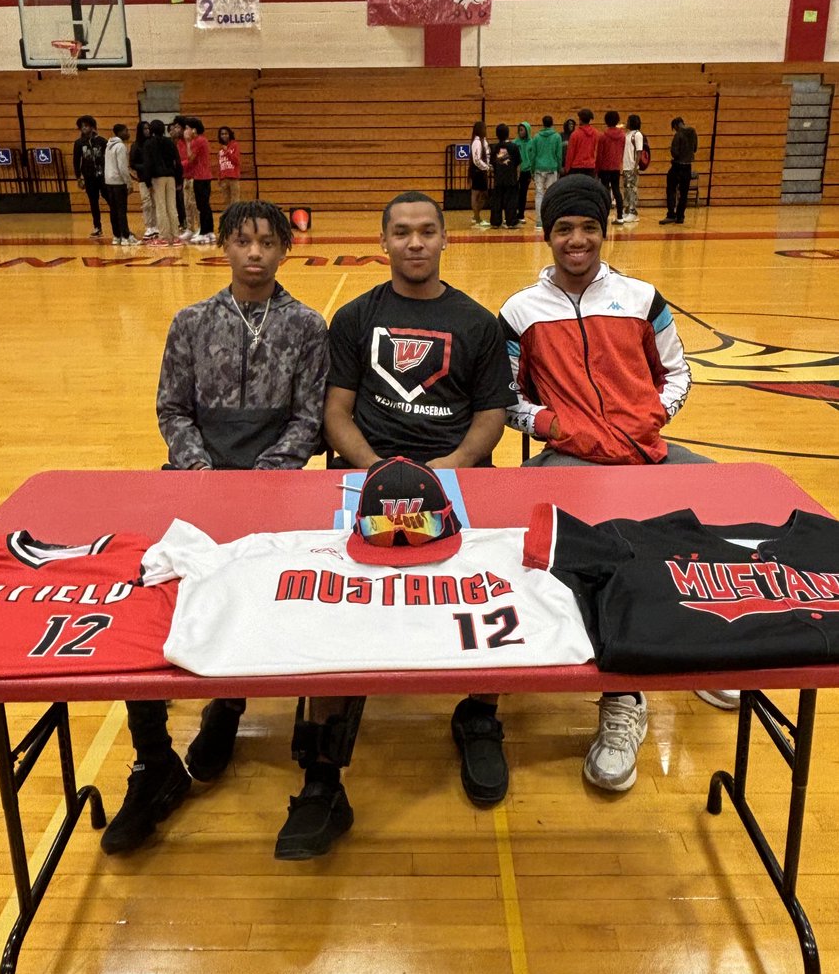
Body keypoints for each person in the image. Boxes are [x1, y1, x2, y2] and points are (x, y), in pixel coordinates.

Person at [273, 191, 517, 861]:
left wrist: (447, 470)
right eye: (402, 233)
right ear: (384, 241)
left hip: (456, 478)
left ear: (446, 239)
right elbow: (337, 413)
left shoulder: (476, 322)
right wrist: (381, 471)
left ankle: (480, 715)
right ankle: (323, 777)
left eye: (427, 231)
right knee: (336, 608)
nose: (415, 243)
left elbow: (490, 415)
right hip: (363, 476)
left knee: (486, 590)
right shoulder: (355, 318)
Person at [101, 199, 330, 856]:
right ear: (223, 247)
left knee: (270, 595)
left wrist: (263, 476)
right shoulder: (191, 322)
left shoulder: (308, 327)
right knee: (150, 604)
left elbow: (308, 420)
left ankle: (228, 702)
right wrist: (202, 470)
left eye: (266, 242)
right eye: (241, 241)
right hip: (194, 482)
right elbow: (172, 407)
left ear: (286, 249)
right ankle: (153, 761)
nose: (254, 253)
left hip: (275, 487)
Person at [498, 175, 721, 792]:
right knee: (576, 552)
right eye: (564, 229)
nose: (577, 240)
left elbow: (678, 374)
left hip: (646, 451)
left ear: (605, 229)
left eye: (589, 227)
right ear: (547, 236)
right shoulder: (521, 311)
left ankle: (698, 646)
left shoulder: (643, 298)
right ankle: (622, 696)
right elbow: (506, 397)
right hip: (574, 457)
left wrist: (654, 418)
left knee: (716, 515)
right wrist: (549, 425)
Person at [142, 119, 182, 246]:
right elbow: (178, 161)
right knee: (172, 206)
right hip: (171, 176)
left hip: (157, 178)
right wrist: (179, 179)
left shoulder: (149, 143)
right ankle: (176, 237)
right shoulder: (169, 142)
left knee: (160, 207)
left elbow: (147, 164)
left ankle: (164, 237)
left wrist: (147, 182)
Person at [72, 115, 110, 238]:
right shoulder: (79, 143)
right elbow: (76, 161)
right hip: (89, 177)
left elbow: (109, 158)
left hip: (103, 176)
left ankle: (118, 224)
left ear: (92, 127)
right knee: (93, 202)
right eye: (82, 126)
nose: (84, 128)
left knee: (110, 199)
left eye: (86, 126)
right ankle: (97, 227)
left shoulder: (102, 141)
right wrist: (79, 177)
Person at [103, 124, 138, 246]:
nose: (128, 133)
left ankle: (116, 236)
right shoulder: (121, 146)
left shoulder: (108, 146)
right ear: (120, 132)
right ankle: (126, 237)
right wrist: (129, 183)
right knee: (121, 210)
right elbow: (122, 167)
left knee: (113, 210)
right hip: (118, 182)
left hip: (109, 182)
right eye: (126, 130)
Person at [660, 116, 698, 226]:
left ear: (676, 125)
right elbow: (695, 148)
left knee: (671, 189)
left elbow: (674, 152)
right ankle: (680, 217)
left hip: (677, 166)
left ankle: (671, 214)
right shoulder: (693, 132)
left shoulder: (678, 134)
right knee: (684, 193)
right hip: (688, 167)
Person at [184, 116, 216, 244]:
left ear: (194, 130)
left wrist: (187, 142)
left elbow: (190, 158)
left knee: (202, 206)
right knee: (205, 206)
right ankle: (209, 232)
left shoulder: (197, 141)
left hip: (201, 177)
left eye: (187, 128)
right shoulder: (203, 140)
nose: (185, 131)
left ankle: (204, 232)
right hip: (205, 176)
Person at [530, 115, 562, 228]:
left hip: (539, 168)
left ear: (542, 124)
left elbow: (533, 155)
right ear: (552, 123)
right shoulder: (557, 137)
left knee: (539, 194)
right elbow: (559, 155)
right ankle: (551, 219)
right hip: (552, 168)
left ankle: (539, 222)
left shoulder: (536, 137)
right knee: (552, 195)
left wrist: (532, 169)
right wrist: (559, 168)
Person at [596, 110, 626, 225]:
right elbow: (622, 151)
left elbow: (600, 154)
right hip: (615, 167)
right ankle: (620, 216)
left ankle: (604, 215)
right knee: (617, 190)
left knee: (604, 191)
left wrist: (597, 168)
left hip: (604, 167)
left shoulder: (603, 136)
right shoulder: (622, 136)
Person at [489, 123, 521, 229]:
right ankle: (511, 222)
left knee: (497, 200)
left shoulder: (494, 147)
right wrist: (517, 176)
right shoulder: (514, 147)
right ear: (508, 134)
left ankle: (495, 222)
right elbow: (518, 163)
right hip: (511, 178)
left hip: (499, 178)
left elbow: (492, 164)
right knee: (511, 200)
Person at [130, 120, 156, 241]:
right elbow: (133, 163)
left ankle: (156, 225)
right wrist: (145, 166)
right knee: (146, 202)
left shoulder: (153, 143)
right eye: (144, 129)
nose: (147, 131)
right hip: (143, 178)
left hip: (155, 177)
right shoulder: (135, 145)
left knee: (156, 202)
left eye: (148, 128)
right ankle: (149, 226)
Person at [622, 113, 644, 224]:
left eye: (628, 120)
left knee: (632, 190)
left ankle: (633, 212)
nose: (626, 123)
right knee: (626, 189)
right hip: (625, 166)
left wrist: (635, 166)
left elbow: (639, 151)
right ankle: (627, 210)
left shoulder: (637, 135)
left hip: (632, 166)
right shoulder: (627, 134)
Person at [469, 121, 491, 228]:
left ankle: (475, 215)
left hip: (482, 172)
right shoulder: (477, 142)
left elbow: (487, 154)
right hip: (478, 172)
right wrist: (486, 167)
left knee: (483, 195)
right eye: (485, 128)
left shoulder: (483, 141)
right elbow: (476, 159)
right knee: (476, 195)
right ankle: (477, 219)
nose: (486, 130)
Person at [168, 119, 189, 233]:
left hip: (185, 174)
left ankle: (187, 223)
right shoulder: (171, 143)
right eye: (171, 129)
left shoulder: (185, 142)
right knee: (177, 200)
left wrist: (179, 164)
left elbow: (186, 160)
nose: (173, 131)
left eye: (176, 128)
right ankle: (181, 222)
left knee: (184, 201)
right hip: (174, 174)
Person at [563, 109, 599, 176]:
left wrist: (567, 169)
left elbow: (570, 153)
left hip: (576, 167)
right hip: (590, 167)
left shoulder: (575, 134)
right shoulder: (595, 133)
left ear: (580, 119)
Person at [512, 121, 533, 221]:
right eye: (519, 130)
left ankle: (521, 214)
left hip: (526, 171)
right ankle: (512, 213)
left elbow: (533, 157)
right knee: (514, 192)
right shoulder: (514, 143)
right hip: (516, 171)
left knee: (523, 193)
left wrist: (532, 171)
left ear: (527, 131)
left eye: (522, 130)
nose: (520, 132)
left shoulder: (532, 143)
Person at [217, 126, 241, 209]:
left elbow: (236, 161)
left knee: (235, 202)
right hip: (224, 178)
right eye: (222, 134)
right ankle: (228, 221)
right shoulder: (220, 150)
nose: (224, 136)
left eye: (226, 134)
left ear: (230, 134)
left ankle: (236, 220)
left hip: (233, 178)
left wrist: (227, 151)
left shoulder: (235, 145)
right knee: (226, 203)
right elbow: (220, 164)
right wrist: (219, 177)